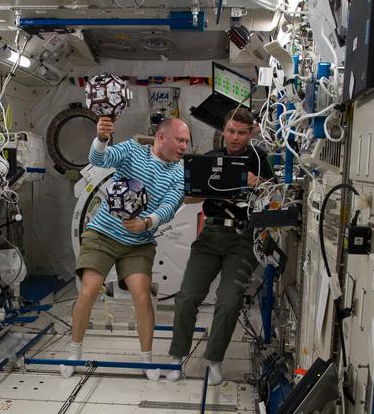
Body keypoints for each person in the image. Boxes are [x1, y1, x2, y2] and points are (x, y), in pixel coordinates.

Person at [63, 115, 190, 379]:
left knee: (142, 297)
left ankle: (146, 360)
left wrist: (147, 222)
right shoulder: (132, 151)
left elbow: (170, 206)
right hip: (102, 235)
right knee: (88, 291)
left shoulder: (179, 173)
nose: (184, 146)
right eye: (180, 140)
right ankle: (74, 352)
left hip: (138, 243)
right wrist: (101, 138)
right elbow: (99, 160)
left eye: (187, 142)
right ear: (161, 137)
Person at [166, 107, 275, 385]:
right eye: (230, 131)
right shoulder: (210, 160)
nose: (235, 138)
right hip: (211, 236)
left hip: (242, 240)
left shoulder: (260, 160)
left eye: (241, 133)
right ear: (223, 131)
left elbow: (275, 198)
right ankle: (177, 358)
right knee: (187, 297)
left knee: (228, 302)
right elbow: (188, 198)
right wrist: (211, 188)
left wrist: (258, 183)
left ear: (250, 133)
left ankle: (214, 360)